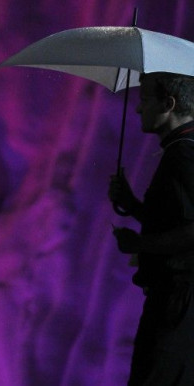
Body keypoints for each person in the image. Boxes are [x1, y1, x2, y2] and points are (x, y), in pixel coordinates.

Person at [108, 72, 194, 385]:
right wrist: (132, 205)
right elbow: (179, 221)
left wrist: (140, 244)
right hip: (174, 300)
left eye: (145, 99)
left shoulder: (184, 153)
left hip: (179, 301)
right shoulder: (180, 149)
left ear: (168, 103)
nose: (138, 109)